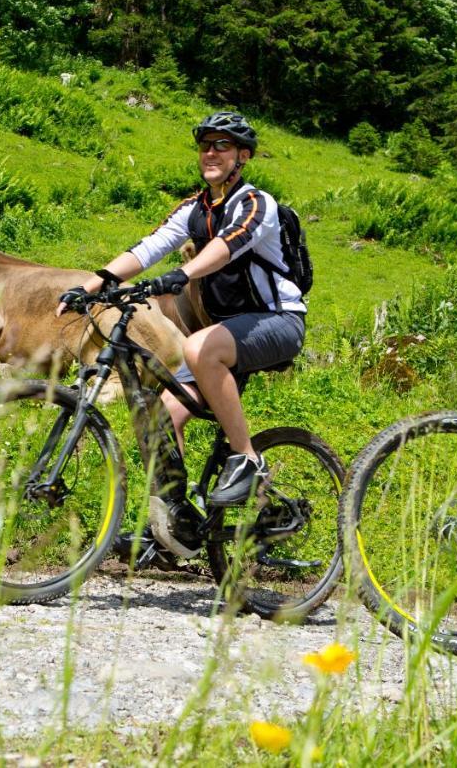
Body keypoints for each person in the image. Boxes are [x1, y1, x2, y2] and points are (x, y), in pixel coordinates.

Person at [58, 111, 307, 507]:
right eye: (205, 145)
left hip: (278, 321)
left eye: (222, 145)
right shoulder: (195, 207)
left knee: (198, 348)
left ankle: (247, 461)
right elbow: (150, 246)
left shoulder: (258, 204)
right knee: (160, 417)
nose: (211, 152)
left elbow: (229, 245)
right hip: (226, 333)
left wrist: (182, 273)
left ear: (243, 156)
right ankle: (173, 520)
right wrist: (92, 284)